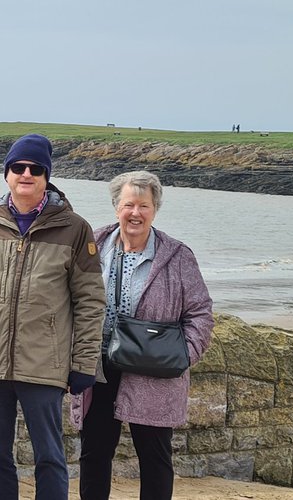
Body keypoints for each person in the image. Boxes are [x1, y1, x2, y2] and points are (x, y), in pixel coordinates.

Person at [0, 133, 105, 500]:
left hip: (45, 365)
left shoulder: (75, 229)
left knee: (50, 456)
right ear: (7, 174)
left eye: (36, 169)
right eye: (18, 167)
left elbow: (90, 302)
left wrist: (83, 363)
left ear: (47, 176)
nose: (26, 174)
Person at [71, 170, 215, 500]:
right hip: (99, 369)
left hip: (154, 373)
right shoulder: (93, 244)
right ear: (116, 206)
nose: (135, 213)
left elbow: (201, 315)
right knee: (93, 454)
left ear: (155, 209)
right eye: (128, 204)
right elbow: (68, 299)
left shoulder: (177, 257)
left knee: (154, 458)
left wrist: (181, 355)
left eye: (144, 206)